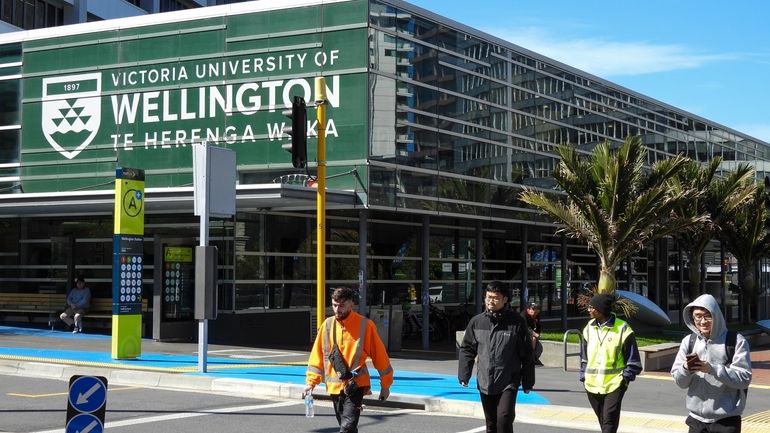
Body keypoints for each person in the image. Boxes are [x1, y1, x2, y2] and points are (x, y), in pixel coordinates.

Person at [305, 287, 393, 433]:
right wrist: (311, 382)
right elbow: (317, 356)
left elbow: (380, 357)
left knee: (347, 427)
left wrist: (386, 385)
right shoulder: (327, 325)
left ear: (352, 304)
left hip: (356, 384)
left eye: (341, 305)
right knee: (346, 426)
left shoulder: (365, 325)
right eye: (334, 305)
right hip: (334, 386)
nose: (337, 310)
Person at [458, 281, 535, 433]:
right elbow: (467, 349)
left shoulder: (516, 322)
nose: (490, 301)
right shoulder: (477, 321)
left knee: (504, 419)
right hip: (485, 380)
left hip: (509, 380)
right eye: (488, 297)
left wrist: (528, 382)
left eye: (495, 297)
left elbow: (527, 354)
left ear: (505, 299)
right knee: (491, 423)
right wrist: (464, 375)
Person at [670, 294, 752, 433]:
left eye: (708, 316)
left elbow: (744, 379)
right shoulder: (688, 341)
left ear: (716, 315)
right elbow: (680, 383)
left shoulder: (735, 341)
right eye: (698, 316)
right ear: (692, 318)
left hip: (726, 421)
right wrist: (685, 369)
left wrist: (712, 369)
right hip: (696, 420)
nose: (702, 321)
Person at [580, 293, 642, 433]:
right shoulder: (589, 327)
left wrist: (625, 379)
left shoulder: (622, 328)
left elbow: (634, 360)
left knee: (609, 422)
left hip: (614, 384)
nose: (589, 310)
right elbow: (584, 356)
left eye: (591, 307)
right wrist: (583, 375)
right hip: (591, 384)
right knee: (604, 422)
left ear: (601, 309)